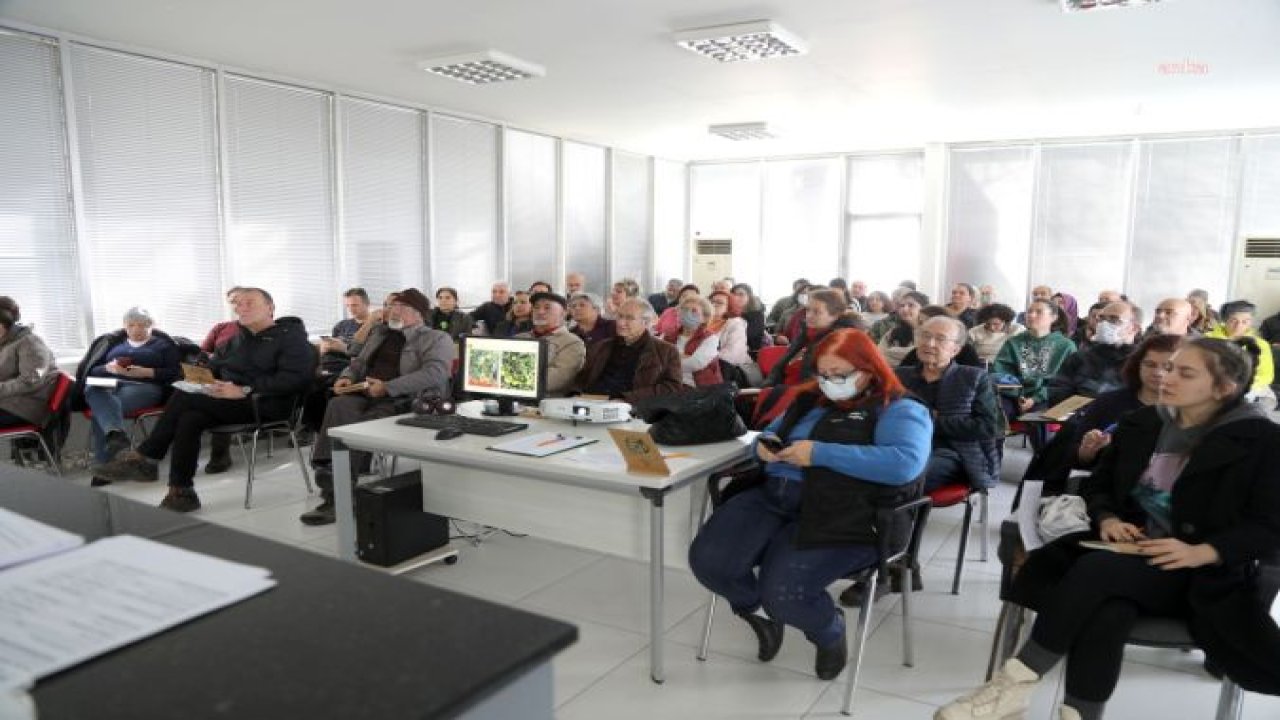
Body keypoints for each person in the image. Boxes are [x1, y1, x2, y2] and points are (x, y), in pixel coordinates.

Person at [938, 338, 1280, 720]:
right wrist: (1108, 519)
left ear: (1223, 388)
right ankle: (1078, 715)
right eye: (1168, 368)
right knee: (1108, 611)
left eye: (1184, 373)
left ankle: (1015, 684)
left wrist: (1202, 551)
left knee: (1097, 572)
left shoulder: (1261, 441)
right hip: (1129, 555)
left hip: (1201, 572)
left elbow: (1269, 526)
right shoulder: (1144, 423)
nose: (1166, 378)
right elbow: (1098, 485)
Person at [688, 328, 931, 681]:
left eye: (840, 375)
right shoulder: (810, 398)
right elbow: (769, 431)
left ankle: (828, 630)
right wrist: (763, 446)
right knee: (709, 562)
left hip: (848, 512)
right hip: (777, 496)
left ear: (869, 369)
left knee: (785, 592)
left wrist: (819, 453)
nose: (829, 382)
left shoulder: (900, 408)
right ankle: (760, 612)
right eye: (823, 373)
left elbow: (903, 463)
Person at [97, 288, 316, 512]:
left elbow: (297, 380)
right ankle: (181, 492)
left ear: (270, 308)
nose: (242, 307)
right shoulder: (236, 340)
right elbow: (214, 367)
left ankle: (146, 457)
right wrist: (199, 377)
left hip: (266, 404)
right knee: (190, 417)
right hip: (229, 400)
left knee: (185, 397)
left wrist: (245, 389)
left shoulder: (292, 339)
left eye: (250, 302)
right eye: (238, 304)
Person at [299, 289, 454, 525]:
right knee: (338, 405)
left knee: (364, 425)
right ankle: (333, 490)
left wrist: (388, 387)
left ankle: (342, 492)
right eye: (390, 306)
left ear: (417, 314)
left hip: (404, 399)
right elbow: (358, 362)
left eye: (399, 307)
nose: (391, 311)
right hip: (366, 391)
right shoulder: (380, 332)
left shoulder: (436, 338)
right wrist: (347, 378)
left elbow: (435, 373)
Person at [1021, 334, 1182, 493]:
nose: (1158, 373)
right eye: (1150, 364)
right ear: (1138, 365)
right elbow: (1073, 455)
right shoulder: (1109, 402)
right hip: (1101, 490)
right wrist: (1085, 453)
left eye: (1168, 367)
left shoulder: (1188, 412)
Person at [73, 307, 181, 482]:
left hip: (144, 386)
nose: (136, 330)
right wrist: (107, 368)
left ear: (151, 325)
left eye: (142, 325)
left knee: (103, 412)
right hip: (112, 384)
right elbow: (92, 370)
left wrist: (147, 372)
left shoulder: (163, 345)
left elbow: (175, 372)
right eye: (131, 325)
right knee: (92, 389)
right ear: (125, 326)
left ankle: (105, 461)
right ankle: (115, 439)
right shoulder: (115, 344)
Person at [895, 317, 1000, 493]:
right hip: (901, 444)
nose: (929, 343)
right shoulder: (899, 376)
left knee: (905, 476)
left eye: (940, 339)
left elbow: (988, 427)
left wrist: (929, 421)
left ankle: (898, 518)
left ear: (955, 349)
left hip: (951, 451)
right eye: (925, 335)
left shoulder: (974, 378)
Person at [574, 298, 682, 403]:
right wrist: (574, 394)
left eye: (629, 318)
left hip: (632, 408)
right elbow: (581, 379)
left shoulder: (666, 351)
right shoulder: (601, 347)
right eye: (620, 316)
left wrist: (627, 399)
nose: (621, 323)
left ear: (646, 322)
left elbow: (672, 387)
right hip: (592, 401)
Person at [992, 299, 1077, 420]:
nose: (1031, 315)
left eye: (1038, 312)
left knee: (1038, 418)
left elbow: (1064, 382)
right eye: (1029, 312)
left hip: (1047, 396)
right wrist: (1018, 396)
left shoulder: (1066, 346)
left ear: (1053, 317)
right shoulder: (1014, 342)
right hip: (1014, 395)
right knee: (994, 412)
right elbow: (1000, 373)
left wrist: (1035, 398)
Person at [1047, 301, 1142, 406]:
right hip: (1078, 417)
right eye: (1101, 318)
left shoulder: (1141, 362)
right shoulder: (1080, 357)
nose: (1104, 324)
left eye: (1114, 319)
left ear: (1134, 328)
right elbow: (1057, 392)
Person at [763, 289, 862, 388]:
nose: (809, 316)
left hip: (804, 397)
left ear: (835, 316)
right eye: (808, 310)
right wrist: (767, 387)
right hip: (783, 391)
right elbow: (780, 366)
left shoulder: (839, 341)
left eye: (817, 312)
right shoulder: (807, 333)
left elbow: (816, 384)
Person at [197, 287, 247, 474]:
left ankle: (220, 453)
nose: (236, 305)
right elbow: (204, 351)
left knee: (220, 392)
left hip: (239, 378)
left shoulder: (260, 328)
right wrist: (205, 361)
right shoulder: (222, 327)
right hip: (215, 371)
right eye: (232, 302)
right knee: (189, 391)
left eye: (239, 300)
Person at [0, 296, 59, 435]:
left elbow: (30, 382)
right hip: (7, 402)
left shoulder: (30, 343)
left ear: (4, 324)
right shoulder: (5, 342)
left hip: (23, 407)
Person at [1205, 299, 1276, 409]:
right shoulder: (1208, 339)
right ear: (1225, 320)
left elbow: (1266, 375)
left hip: (1250, 387)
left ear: (1251, 322)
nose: (1239, 325)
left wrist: (1245, 386)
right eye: (1234, 320)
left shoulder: (1261, 344)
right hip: (1216, 385)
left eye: (1245, 322)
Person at [516, 292, 585, 397]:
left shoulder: (572, 343)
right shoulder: (519, 338)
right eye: (536, 307)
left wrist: (511, 380)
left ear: (563, 313)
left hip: (548, 404)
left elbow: (555, 380)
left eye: (547, 308)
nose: (540, 312)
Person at [661, 294, 722, 387]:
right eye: (684, 310)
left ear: (704, 318)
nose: (687, 313)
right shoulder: (668, 335)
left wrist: (671, 359)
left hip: (700, 390)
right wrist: (683, 356)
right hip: (671, 385)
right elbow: (656, 360)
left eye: (694, 311)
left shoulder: (711, 339)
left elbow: (695, 364)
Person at [874, 291, 928, 367]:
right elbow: (878, 356)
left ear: (923, 309)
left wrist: (893, 351)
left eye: (911, 305)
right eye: (902, 306)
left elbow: (924, 356)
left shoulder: (930, 331)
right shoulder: (893, 332)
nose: (905, 309)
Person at [707, 291, 750, 365]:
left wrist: (703, 359)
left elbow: (732, 354)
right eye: (711, 302)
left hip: (729, 368)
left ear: (729, 307)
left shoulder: (736, 324)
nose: (714, 305)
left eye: (719, 303)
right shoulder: (702, 323)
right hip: (701, 364)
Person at [728, 283, 768, 354]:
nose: (736, 297)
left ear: (749, 297)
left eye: (741, 294)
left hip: (750, 353)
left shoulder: (757, 315)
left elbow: (747, 336)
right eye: (734, 294)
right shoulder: (728, 314)